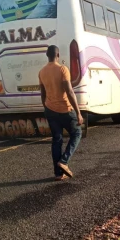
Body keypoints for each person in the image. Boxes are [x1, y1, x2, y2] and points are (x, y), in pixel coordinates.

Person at [38, 45, 83, 180]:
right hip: (65, 110)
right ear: (58, 55)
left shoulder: (41, 72)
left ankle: (58, 174)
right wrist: (78, 112)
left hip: (50, 110)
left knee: (57, 140)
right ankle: (64, 161)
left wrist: (46, 108)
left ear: (47, 55)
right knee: (77, 133)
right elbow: (69, 92)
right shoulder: (63, 69)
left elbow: (42, 93)